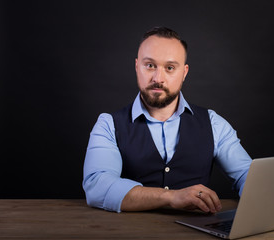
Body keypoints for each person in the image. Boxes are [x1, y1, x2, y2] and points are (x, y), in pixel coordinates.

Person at [83, 27, 252, 213]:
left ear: (184, 73)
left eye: (170, 68)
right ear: (137, 66)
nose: (158, 78)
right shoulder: (109, 125)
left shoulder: (214, 123)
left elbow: (249, 177)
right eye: (150, 65)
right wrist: (171, 197)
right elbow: (96, 186)